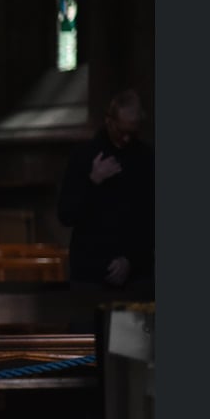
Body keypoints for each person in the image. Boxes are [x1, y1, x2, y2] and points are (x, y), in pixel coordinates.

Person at [56, 88, 154, 295]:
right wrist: (93, 181)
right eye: (121, 131)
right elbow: (66, 214)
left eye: (132, 133)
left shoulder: (146, 159)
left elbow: (150, 218)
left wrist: (130, 260)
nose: (126, 139)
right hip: (90, 274)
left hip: (135, 275)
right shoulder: (83, 156)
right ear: (109, 121)